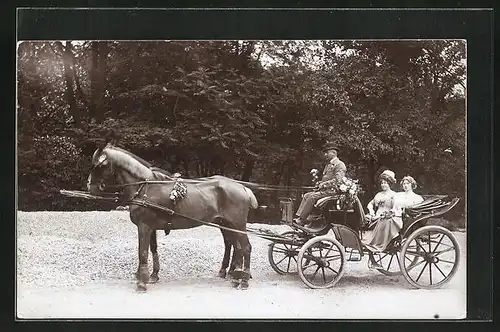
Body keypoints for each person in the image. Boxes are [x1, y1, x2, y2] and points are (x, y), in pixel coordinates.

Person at [293, 143, 347, 226]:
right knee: (307, 195)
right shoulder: (328, 165)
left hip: (333, 191)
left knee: (312, 197)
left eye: (327, 152)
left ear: (334, 153)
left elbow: (338, 180)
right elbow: (326, 178)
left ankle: (302, 220)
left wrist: (324, 184)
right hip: (326, 190)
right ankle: (302, 217)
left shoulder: (340, 164)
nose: (325, 155)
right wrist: (320, 183)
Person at [361, 170, 398, 268]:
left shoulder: (393, 195)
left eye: (385, 183)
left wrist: (389, 213)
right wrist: (371, 211)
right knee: (365, 219)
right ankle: (368, 248)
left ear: (389, 183)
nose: (383, 185)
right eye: (382, 183)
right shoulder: (379, 194)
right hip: (376, 215)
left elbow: (395, 207)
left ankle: (377, 245)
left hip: (387, 216)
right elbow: (370, 204)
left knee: (383, 221)